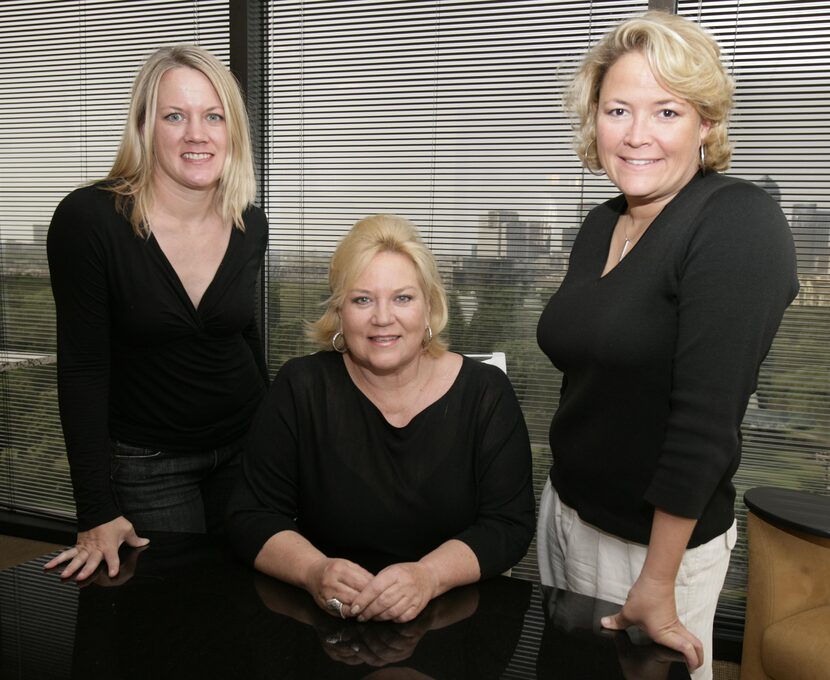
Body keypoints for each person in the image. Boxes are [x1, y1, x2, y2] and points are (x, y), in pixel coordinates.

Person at [535, 11, 798, 680]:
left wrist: (656, 579)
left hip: (654, 552)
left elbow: (705, 424)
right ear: (594, 118)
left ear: (706, 123)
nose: (637, 135)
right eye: (618, 109)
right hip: (566, 515)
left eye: (667, 112)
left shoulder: (739, 222)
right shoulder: (601, 224)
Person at [227, 214, 535, 624]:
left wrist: (428, 577)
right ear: (339, 312)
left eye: (403, 298)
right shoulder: (301, 387)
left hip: (452, 625)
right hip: (328, 626)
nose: (382, 318)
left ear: (430, 306)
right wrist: (313, 571)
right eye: (362, 299)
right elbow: (251, 514)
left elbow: (508, 525)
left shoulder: (485, 393)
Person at [45, 44, 269, 582]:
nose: (197, 133)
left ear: (231, 130)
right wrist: (95, 509)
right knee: (173, 620)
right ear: (145, 127)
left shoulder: (249, 222)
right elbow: (82, 370)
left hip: (246, 448)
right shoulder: (89, 220)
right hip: (150, 465)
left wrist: (278, 443)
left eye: (213, 116)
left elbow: (247, 339)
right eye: (175, 116)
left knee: (249, 611)